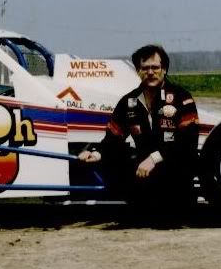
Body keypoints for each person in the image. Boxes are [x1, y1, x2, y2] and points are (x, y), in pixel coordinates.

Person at [78, 44, 199, 217]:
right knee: (117, 158)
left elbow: (188, 142)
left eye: (155, 67)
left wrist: (154, 158)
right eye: (145, 68)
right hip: (145, 174)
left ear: (164, 69)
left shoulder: (181, 97)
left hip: (175, 173)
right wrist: (95, 154)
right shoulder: (129, 101)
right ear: (137, 71)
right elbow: (113, 138)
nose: (150, 72)